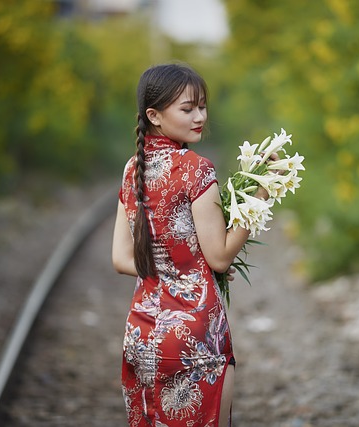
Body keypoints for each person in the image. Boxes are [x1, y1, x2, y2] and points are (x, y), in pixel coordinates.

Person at [111, 63, 268, 427]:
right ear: (154, 115)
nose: (200, 117)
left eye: (202, 106)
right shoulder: (196, 169)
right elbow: (219, 256)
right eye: (187, 108)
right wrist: (261, 193)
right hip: (193, 339)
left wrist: (175, 265)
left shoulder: (131, 169)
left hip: (142, 336)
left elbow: (120, 259)